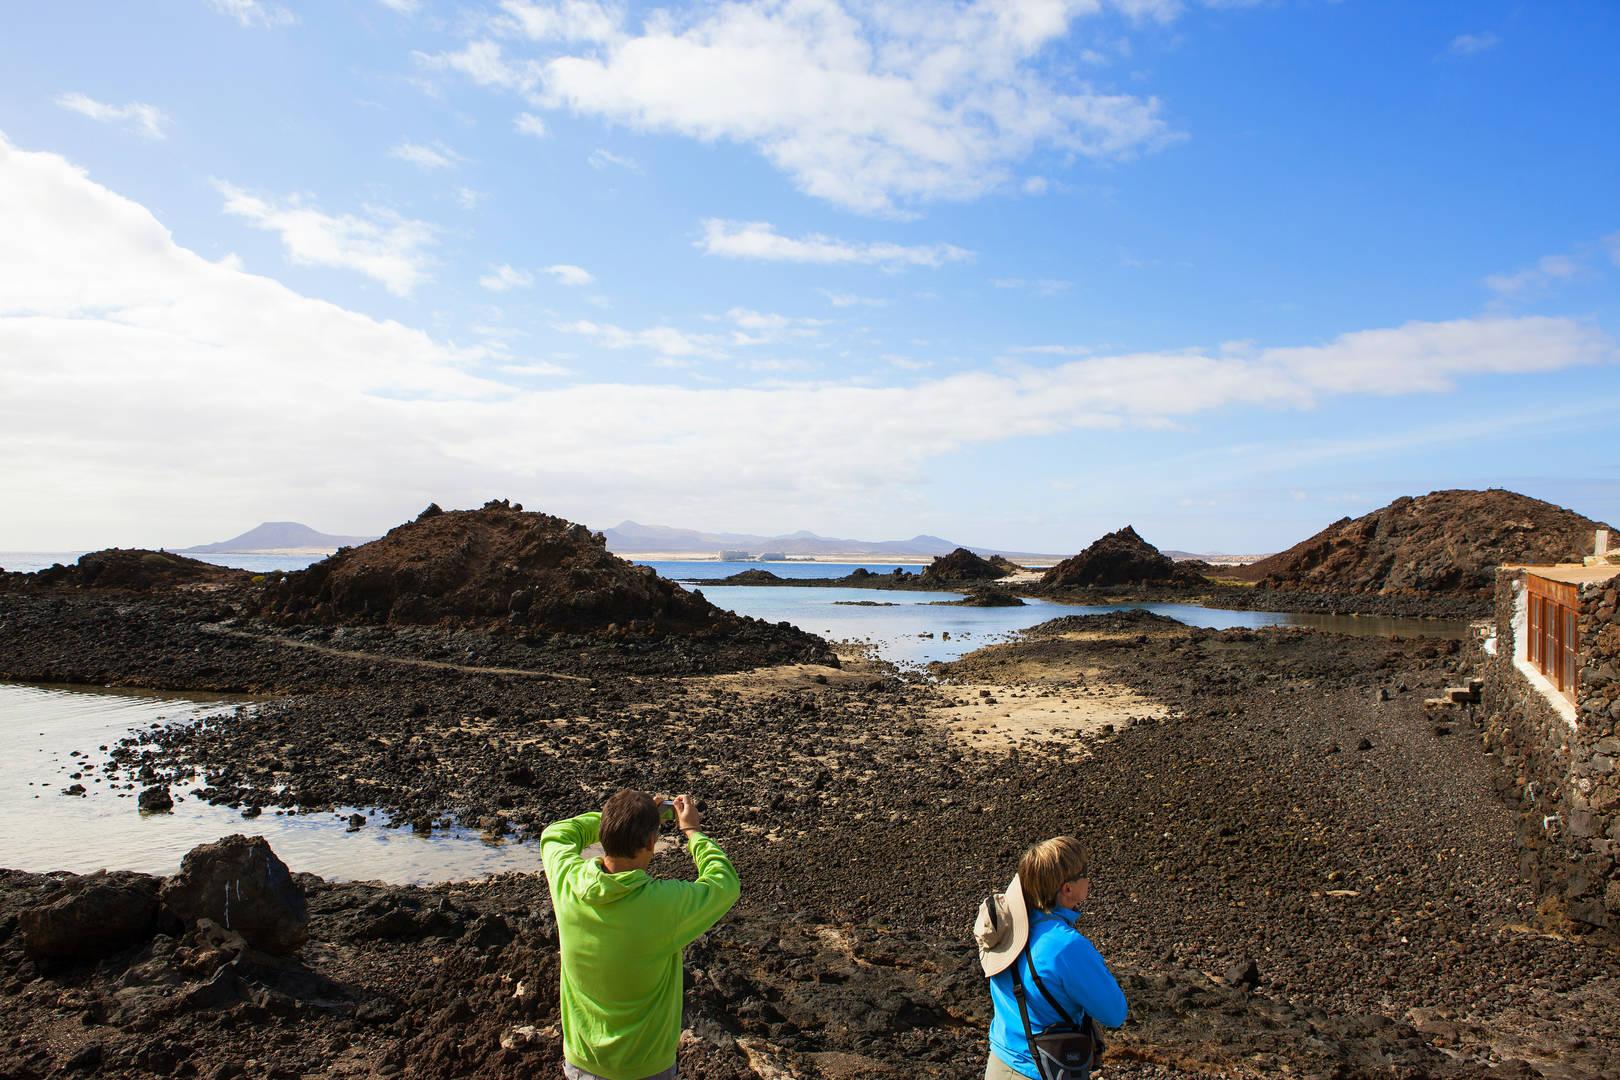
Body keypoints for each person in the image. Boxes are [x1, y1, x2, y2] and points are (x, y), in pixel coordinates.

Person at [541, 790, 740, 1080]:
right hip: (646, 1068)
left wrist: (618, 822)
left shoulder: (569, 882)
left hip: (582, 1064)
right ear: (650, 841)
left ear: (605, 833)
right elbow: (724, 883)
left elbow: (556, 833)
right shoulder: (664, 905)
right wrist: (692, 831)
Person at [974, 836, 1127, 1080]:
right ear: (1068, 888)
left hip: (999, 1064)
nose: (1089, 877)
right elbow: (1114, 1013)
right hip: (1044, 1070)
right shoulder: (1067, 947)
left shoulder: (1007, 926)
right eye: (1085, 872)